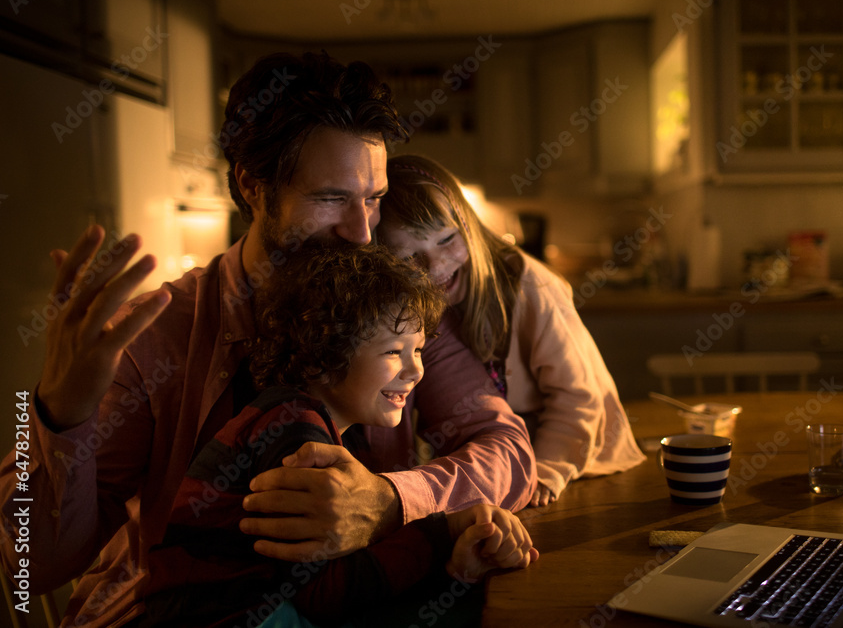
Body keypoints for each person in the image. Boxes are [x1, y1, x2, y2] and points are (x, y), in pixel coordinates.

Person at [0, 52, 535, 627]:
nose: (361, 232)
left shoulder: (396, 307)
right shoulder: (155, 333)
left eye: (373, 199)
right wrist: (54, 415)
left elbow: (508, 451)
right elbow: (29, 565)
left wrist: (390, 501)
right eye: (331, 198)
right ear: (252, 186)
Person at [141, 243, 536, 627]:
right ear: (325, 355)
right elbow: (324, 593)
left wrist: (451, 563)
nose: (415, 370)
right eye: (393, 352)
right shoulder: (293, 430)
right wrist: (443, 532)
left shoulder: (304, 420)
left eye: (417, 350)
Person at [378, 155, 645, 507]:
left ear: (468, 225)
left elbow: (578, 397)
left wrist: (547, 471)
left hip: (580, 464)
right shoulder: (421, 310)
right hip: (508, 472)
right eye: (410, 257)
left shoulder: (532, 288)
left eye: (446, 239)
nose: (435, 265)